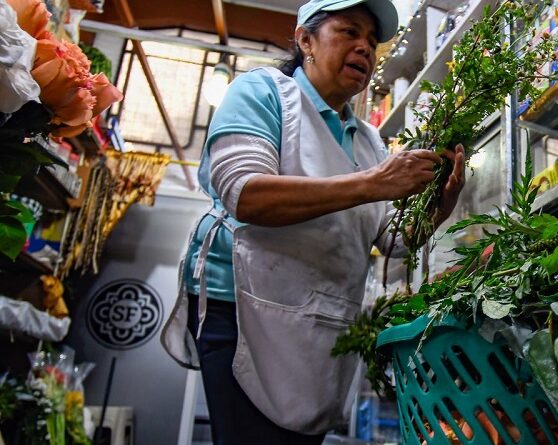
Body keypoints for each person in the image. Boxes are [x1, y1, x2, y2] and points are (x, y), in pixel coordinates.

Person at [161, 0, 465, 443]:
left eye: (371, 41)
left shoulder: (367, 140)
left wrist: (439, 206)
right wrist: (374, 183)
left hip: (320, 322)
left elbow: (391, 239)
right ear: (305, 39)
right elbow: (246, 194)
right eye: (349, 32)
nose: (365, 48)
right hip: (246, 307)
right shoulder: (263, 93)